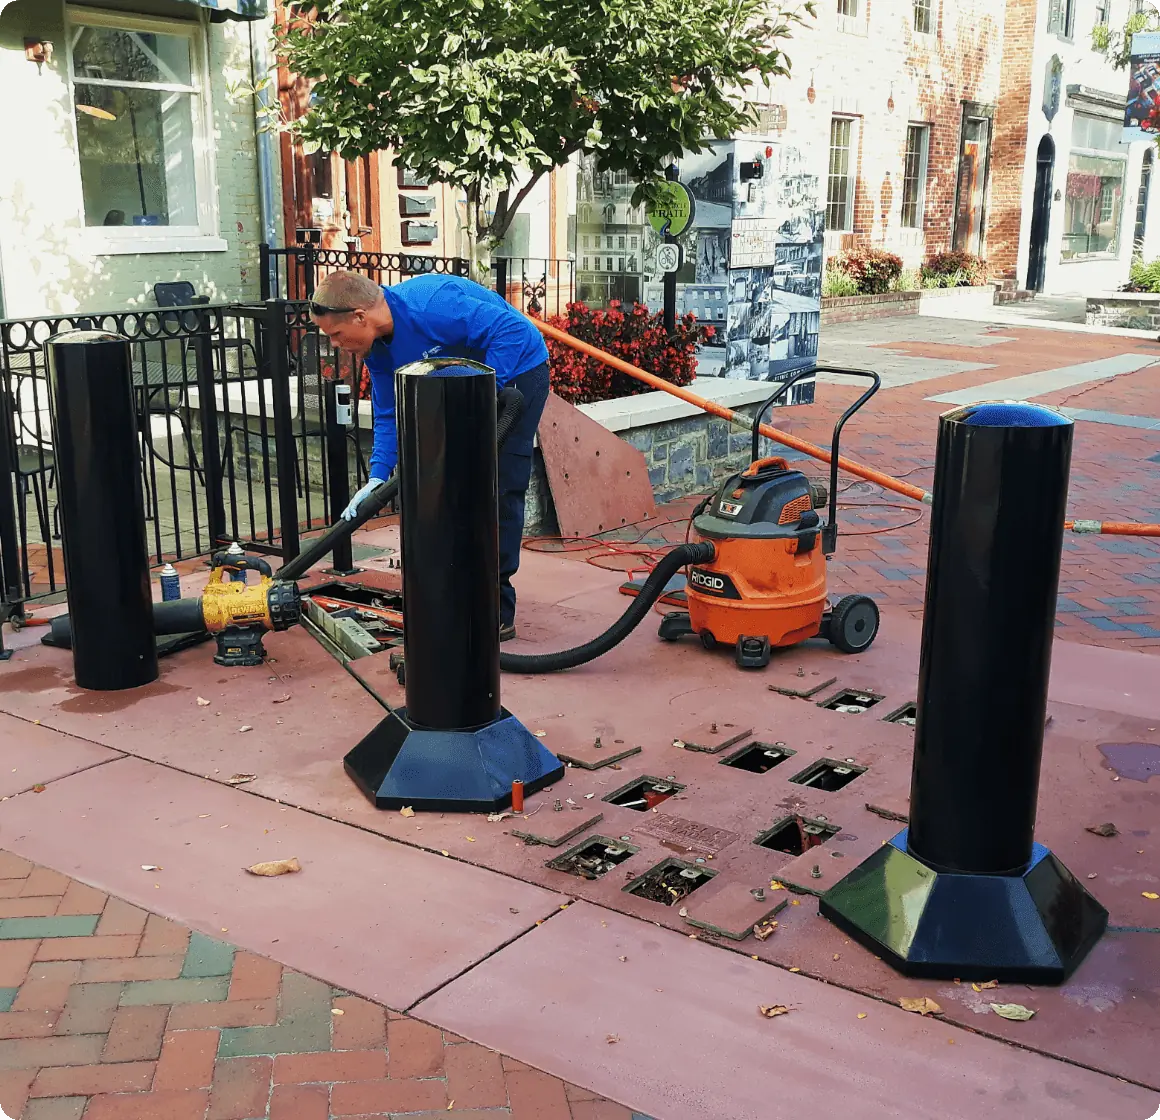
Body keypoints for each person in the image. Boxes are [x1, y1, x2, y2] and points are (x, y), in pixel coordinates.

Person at [308, 269, 550, 641]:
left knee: (498, 487)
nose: (335, 345)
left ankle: (496, 610)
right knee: (448, 489)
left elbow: (513, 332)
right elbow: (388, 414)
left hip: (517, 376)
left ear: (359, 316)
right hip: (459, 391)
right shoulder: (378, 348)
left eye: (335, 335)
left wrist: (476, 395)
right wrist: (377, 475)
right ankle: (456, 591)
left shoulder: (433, 306)